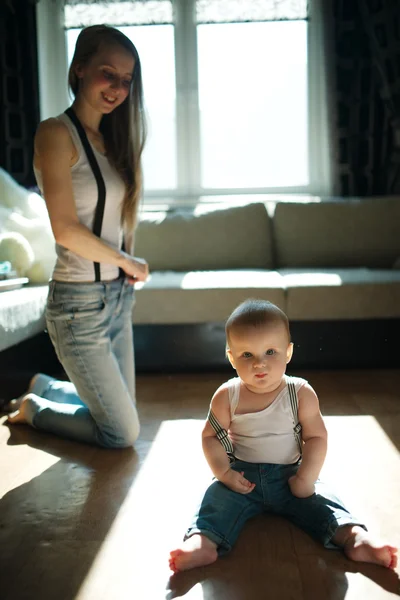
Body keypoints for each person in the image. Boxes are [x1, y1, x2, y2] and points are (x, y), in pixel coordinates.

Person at [169, 299, 398, 572]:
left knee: (323, 500)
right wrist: (224, 474)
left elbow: (316, 438)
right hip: (241, 477)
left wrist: (307, 477)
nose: (259, 364)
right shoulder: (227, 396)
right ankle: (203, 542)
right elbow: (211, 437)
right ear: (231, 357)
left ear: (288, 352)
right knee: (215, 499)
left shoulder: (299, 393)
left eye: (270, 352)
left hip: (291, 475)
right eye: (247, 355)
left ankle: (355, 538)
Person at [6, 25, 148, 448]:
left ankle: (47, 386)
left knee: (123, 414)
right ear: (80, 68)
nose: (118, 87)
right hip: (78, 306)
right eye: (109, 73)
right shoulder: (55, 133)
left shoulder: (111, 140)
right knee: (122, 433)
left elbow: (118, 219)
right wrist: (127, 261)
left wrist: (125, 265)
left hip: (118, 298)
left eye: (127, 80)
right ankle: (36, 407)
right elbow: (65, 229)